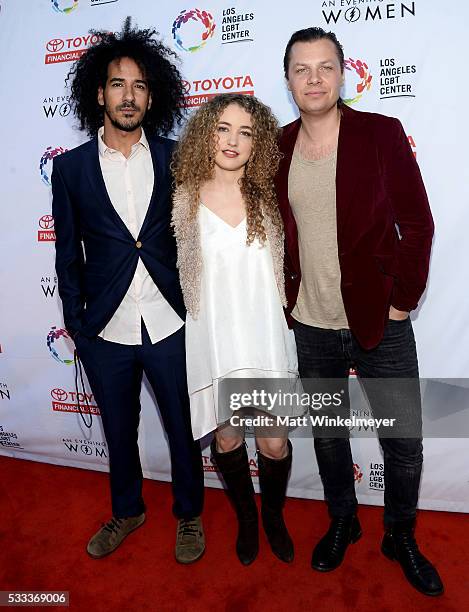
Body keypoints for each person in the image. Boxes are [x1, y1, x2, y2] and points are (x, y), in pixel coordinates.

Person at [275, 27, 443, 595]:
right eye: (302, 69)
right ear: (289, 79)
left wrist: (402, 301)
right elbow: (272, 231)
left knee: (403, 438)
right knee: (327, 433)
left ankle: (400, 534)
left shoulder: (379, 133)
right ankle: (342, 520)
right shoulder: (276, 146)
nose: (314, 78)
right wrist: (283, 297)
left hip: (379, 319)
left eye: (325, 67)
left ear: (343, 74)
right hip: (311, 322)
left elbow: (418, 223)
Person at [51, 19, 205, 564]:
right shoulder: (69, 170)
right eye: (118, 84)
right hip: (106, 326)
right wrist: (78, 324)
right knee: (119, 430)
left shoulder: (174, 156)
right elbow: (66, 253)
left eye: (139, 86)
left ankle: (189, 516)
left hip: (168, 318)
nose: (129, 95)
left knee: (183, 427)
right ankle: (128, 509)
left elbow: (194, 237)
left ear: (151, 95)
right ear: (99, 92)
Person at [172, 94, 302, 565]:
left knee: (273, 439)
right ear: (207, 134)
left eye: (245, 132)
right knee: (227, 438)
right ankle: (247, 519)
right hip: (216, 337)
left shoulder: (271, 193)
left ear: (258, 142)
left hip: (265, 334)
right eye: (223, 128)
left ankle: (273, 517)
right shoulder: (182, 195)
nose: (232, 140)